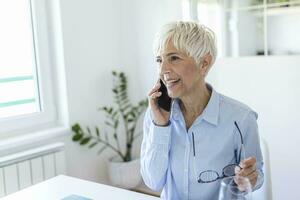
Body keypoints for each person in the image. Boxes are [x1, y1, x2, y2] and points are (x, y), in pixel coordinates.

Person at [140, 21, 264, 200]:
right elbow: (153, 182)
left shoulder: (242, 118)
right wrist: (161, 126)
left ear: (204, 63)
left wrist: (250, 178)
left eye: (174, 58)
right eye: (159, 60)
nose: (163, 70)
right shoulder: (156, 116)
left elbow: (257, 175)